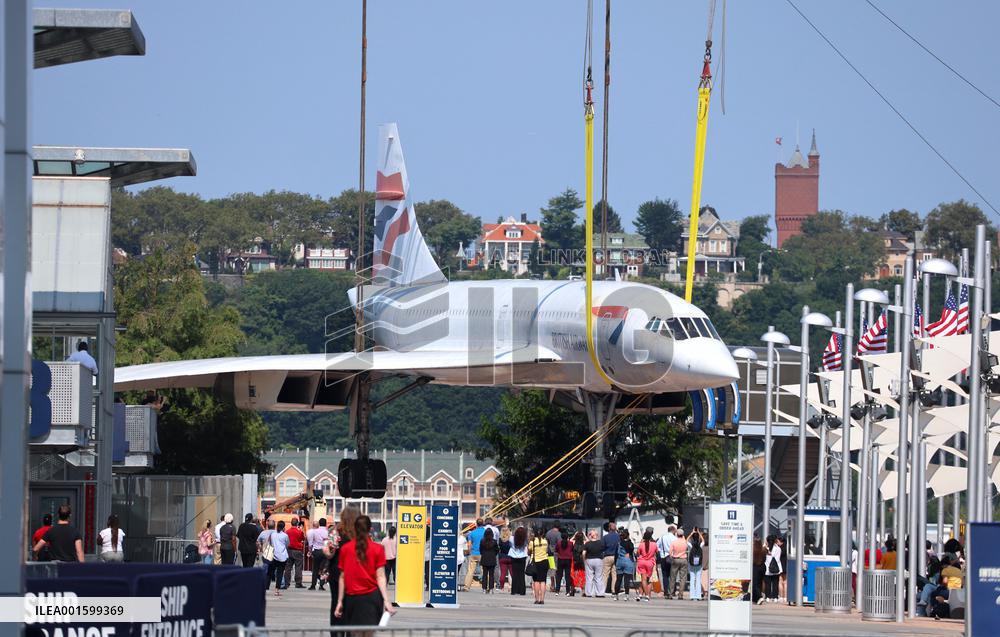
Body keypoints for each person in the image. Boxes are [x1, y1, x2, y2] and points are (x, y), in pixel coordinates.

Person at [334, 512, 395, 626]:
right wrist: (386, 600)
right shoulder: (378, 549)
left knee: (352, 632)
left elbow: (342, 577)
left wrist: (340, 601)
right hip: (372, 597)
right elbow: (381, 576)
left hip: (351, 598)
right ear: (370, 529)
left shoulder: (345, 549)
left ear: (355, 529)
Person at [268, 521, 290, 596]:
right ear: (284, 527)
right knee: (280, 573)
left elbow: (270, 543)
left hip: (274, 555)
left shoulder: (272, 534)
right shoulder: (285, 535)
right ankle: (277, 590)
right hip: (282, 556)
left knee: (270, 572)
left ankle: (265, 586)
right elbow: (287, 545)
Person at [635, 528, 658, 602]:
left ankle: (646, 595)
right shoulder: (654, 544)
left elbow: (638, 553)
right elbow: (657, 552)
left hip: (642, 562)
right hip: (650, 563)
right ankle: (642, 594)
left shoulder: (641, 545)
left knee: (643, 580)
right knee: (648, 580)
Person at [614, 527, 637, 601]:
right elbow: (631, 549)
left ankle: (616, 595)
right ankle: (626, 595)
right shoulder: (629, 543)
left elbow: (616, 554)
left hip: (619, 561)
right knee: (627, 579)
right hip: (628, 561)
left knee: (618, 579)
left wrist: (615, 562)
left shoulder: (619, 543)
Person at [528, 528, 549, 604]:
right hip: (544, 561)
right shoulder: (545, 541)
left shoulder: (532, 542)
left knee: (536, 581)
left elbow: (529, 551)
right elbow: (546, 550)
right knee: (543, 581)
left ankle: (537, 599)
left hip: (536, 562)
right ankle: (542, 599)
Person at [308, 518, 330, 590]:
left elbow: (311, 543)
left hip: (316, 551)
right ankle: (321, 585)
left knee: (315, 568)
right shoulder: (327, 532)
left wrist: (310, 551)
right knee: (323, 569)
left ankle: (313, 585)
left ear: (319, 524)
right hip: (324, 551)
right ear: (326, 523)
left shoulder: (314, 531)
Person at [760, 534, 782, 604]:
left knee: (767, 584)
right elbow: (778, 558)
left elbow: (762, 554)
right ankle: (775, 597)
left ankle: (767, 597)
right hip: (776, 568)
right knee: (775, 583)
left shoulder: (765, 548)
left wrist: (765, 545)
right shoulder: (778, 548)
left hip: (767, 568)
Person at [464, 518, 486, 590]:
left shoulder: (472, 533)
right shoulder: (485, 532)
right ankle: (486, 586)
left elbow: (469, 544)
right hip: (483, 553)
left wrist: (469, 552)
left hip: (474, 553)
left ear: (476, 524)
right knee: (484, 570)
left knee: (470, 571)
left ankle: (466, 586)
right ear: (483, 524)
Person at [656, 525, 677, 599]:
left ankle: (666, 591)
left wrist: (661, 551)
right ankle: (672, 591)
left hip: (663, 557)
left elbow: (657, 546)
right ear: (673, 530)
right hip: (672, 557)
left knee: (665, 575)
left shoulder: (662, 537)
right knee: (672, 575)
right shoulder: (675, 538)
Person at [284, 517, 306, 588]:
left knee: (288, 567)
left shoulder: (287, 532)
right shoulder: (299, 531)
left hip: (289, 550)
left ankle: (287, 583)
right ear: (297, 523)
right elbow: (303, 538)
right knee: (298, 567)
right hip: (297, 550)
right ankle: (298, 583)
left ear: (291, 523)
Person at [583, 530, 605, 598]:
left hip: (589, 560)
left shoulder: (587, 544)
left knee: (589, 577)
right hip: (598, 560)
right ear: (597, 535)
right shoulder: (601, 543)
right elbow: (603, 551)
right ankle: (600, 593)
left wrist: (584, 560)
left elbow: (583, 553)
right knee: (599, 577)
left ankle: (589, 593)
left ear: (590, 535)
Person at [600, 521, 620, 595]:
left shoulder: (605, 537)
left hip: (607, 556)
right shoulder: (618, 537)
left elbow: (602, 547)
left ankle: (602, 590)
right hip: (616, 556)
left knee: (605, 574)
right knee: (614, 574)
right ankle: (614, 590)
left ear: (609, 528)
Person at [669, 527, 689, 599]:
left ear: (677, 534)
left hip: (676, 559)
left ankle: (671, 594)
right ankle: (680, 595)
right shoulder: (685, 542)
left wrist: (672, 558)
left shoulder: (674, 542)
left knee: (673, 577)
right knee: (683, 578)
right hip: (684, 559)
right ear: (683, 535)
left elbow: (670, 552)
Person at [508, 526, 528, 596]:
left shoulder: (511, 539)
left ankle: (514, 590)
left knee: (515, 574)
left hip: (514, 556)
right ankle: (522, 590)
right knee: (521, 574)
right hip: (522, 556)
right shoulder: (525, 539)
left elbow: (510, 544)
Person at [554, 532, 574, 596]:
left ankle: (557, 591)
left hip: (560, 559)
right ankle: (568, 591)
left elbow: (556, 550)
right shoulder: (570, 543)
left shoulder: (559, 543)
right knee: (567, 576)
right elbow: (572, 550)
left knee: (559, 576)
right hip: (568, 560)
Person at [479, 528, 498, 593]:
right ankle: (491, 589)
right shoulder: (494, 541)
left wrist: (483, 554)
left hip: (484, 558)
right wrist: (493, 554)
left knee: (484, 574)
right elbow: (497, 550)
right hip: (492, 558)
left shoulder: (482, 541)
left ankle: (484, 588)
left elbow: (480, 550)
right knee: (491, 575)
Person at [687, 529, 704, 601]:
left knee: (692, 579)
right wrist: (699, 533)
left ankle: (692, 596)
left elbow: (686, 540)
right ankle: (698, 596)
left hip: (691, 564)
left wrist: (691, 533)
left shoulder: (691, 546)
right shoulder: (700, 545)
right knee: (698, 580)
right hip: (699, 565)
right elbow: (703, 541)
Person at [545, 523, 562, 591]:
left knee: (551, 568)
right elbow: (560, 543)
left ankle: (552, 585)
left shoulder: (548, 533)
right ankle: (557, 586)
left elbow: (546, 541)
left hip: (549, 552)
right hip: (556, 553)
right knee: (556, 569)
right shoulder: (558, 534)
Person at [752, 534, 767, 603]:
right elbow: (765, 559)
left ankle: (758, 597)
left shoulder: (753, 550)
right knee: (760, 582)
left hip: (755, 567)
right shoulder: (763, 550)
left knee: (755, 583)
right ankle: (759, 596)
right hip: (762, 567)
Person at [571, 531, 586, 595]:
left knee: (573, 574)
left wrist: (574, 535)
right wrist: (584, 535)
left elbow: (570, 540)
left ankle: (573, 588)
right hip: (582, 560)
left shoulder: (574, 542)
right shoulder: (584, 543)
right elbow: (588, 541)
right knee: (582, 574)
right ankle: (583, 590)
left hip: (574, 559)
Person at [776, 535, 788, 603]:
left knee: (780, 581)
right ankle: (786, 597)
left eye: (778, 542)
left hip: (780, 566)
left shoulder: (779, 549)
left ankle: (781, 597)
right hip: (786, 566)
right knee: (785, 582)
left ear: (781, 542)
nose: (777, 543)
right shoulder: (787, 549)